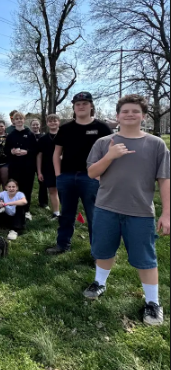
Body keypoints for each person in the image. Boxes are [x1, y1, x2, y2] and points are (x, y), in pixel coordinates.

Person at [82, 94, 170, 326]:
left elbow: (164, 179)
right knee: (103, 250)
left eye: (135, 111)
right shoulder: (104, 143)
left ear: (144, 115)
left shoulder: (155, 144)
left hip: (140, 211)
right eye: (125, 111)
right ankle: (100, 283)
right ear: (117, 115)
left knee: (146, 258)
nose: (130, 115)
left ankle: (152, 302)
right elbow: (92, 173)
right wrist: (111, 156)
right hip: (105, 208)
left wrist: (167, 213)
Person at [46, 92, 113, 255]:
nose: (81, 106)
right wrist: (58, 175)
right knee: (66, 215)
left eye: (84, 103)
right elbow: (56, 153)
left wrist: (100, 176)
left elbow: (110, 154)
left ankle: (97, 251)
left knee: (94, 217)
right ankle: (62, 245)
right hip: (67, 177)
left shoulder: (102, 128)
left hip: (92, 178)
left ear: (91, 106)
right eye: (78, 104)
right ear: (74, 108)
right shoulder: (65, 129)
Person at [5, 111, 38, 220]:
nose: (19, 120)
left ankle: (27, 210)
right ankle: (16, 208)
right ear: (13, 121)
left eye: (21, 118)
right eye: (17, 119)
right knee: (15, 188)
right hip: (15, 166)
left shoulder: (30, 134)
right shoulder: (10, 135)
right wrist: (12, 151)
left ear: (24, 120)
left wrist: (27, 151)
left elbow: (36, 150)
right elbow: (6, 150)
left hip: (28, 166)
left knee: (27, 188)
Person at [37, 114, 61, 219]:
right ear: (47, 123)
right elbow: (39, 156)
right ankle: (56, 212)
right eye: (50, 121)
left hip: (64, 168)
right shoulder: (43, 139)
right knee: (52, 190)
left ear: (58, 122)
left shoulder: (65, 136)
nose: (53, 123)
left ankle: (67, 212)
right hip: (48, 168)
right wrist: (39, 172)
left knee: (65, 191)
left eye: (55, 120)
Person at [31, 118, 49, 208]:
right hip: (29, 162)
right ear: (31, 126)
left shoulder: (43, 137)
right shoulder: (28, 136)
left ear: (40, 125)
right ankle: (25, 201)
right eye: (33, 124)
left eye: (37, 124)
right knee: (28, 184)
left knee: (43, 183)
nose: (35, 126)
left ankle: (43, 202)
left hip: (42, 163)